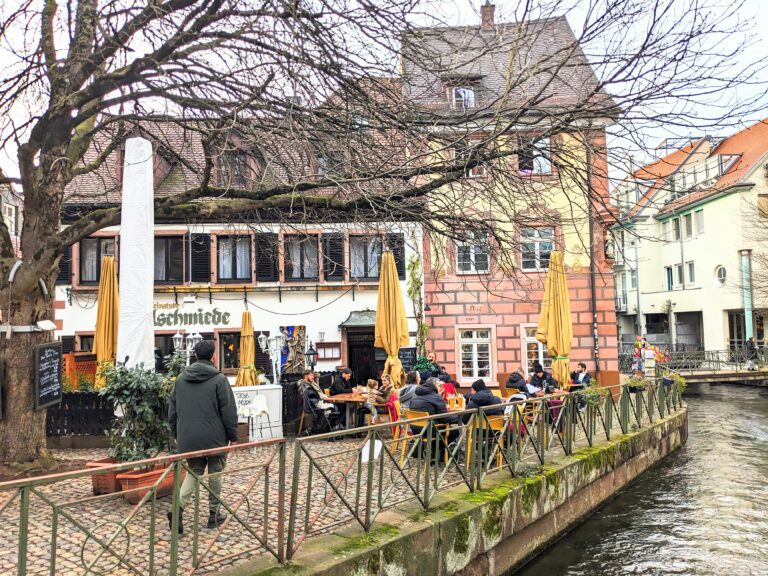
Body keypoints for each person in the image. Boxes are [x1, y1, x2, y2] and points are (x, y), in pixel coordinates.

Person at [168, 340, 238, 534]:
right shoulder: (219, 379)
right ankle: (213, 516)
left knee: (194, 471)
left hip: (188, 437)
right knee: (215, 472)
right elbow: (229, 411)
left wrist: (176, 434)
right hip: (215, 437)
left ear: (196, 356)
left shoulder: (181, 379)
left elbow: (172, 411)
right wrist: (233, 435)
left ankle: (178, 508)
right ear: (213, 356)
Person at [408, 377, 460, 460]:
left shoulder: (416, 395)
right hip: (429, 430)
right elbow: (445, 419)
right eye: (439, 385)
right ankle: (438, 451)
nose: (441, 387)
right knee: (455, 432)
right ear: (434, 385)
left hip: (415, 429)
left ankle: (432, 451)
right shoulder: (436, 397)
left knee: (440, 428)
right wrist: (458, 418)